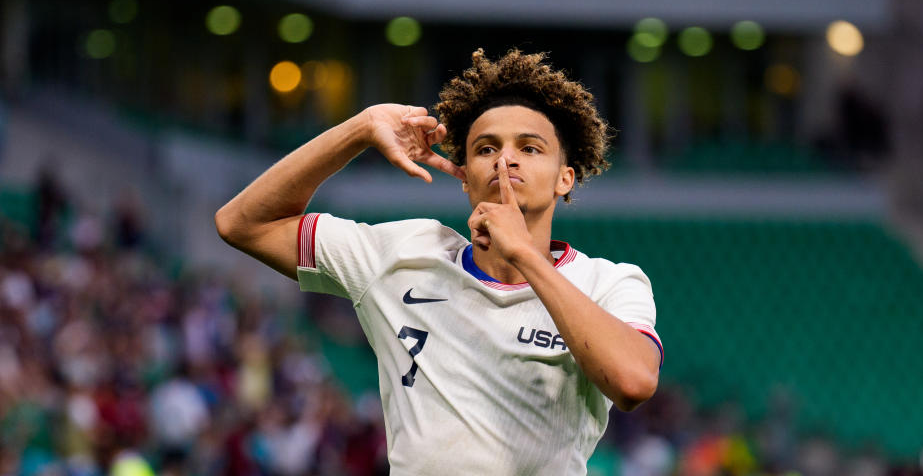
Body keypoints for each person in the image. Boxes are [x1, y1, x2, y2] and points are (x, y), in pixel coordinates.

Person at [216, 49, 663, 475]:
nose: (505, 158)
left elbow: (633, 383)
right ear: (465, 178)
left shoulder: (609, 282)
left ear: (564, 179)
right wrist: (360, 128)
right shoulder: (403, 253)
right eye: (486, 149)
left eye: (529, 148)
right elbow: (242, 223)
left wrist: (525, 255)